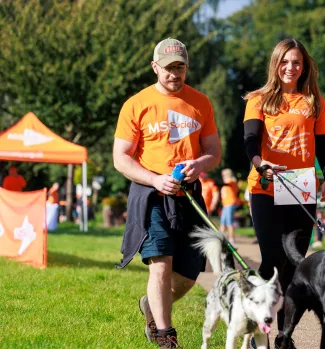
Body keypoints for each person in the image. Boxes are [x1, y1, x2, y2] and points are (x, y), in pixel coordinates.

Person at [112, 37, 221, 348]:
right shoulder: (136, 104)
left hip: (188, 194)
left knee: (189, 272)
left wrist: (200, 163)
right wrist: (153, 179)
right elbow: (121, 157)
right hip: (151, 195)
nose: (175, 73)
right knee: (161, 263)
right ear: (155, 67)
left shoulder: (201, 102)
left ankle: (151, 303)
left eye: (181, 67)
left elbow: (213, 151)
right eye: (169, 67)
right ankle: (165, 335)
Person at [243, 38, 325, 348]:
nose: (290, 67)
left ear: (304, 66)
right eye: (285, 61)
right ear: (276, 64)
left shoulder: (314, 101)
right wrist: (259, 163)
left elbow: (323, 144)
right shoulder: (258, 99)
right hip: (267, 185)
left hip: (301, 186)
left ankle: (283, 336)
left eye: (296, 62)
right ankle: (257, 327)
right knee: (272, 259)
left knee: (295, 263)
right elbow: (251, 140)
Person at [219, 168, 239, 245]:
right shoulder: (227, 182)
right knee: (222, 222)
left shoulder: (232, 182)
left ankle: (231, 239)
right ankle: (221, 238)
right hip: (226, 205)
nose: (222, 176)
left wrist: (215, 183)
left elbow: (227, 184)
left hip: (230, 204)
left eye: (223, 175)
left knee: (229, 223)